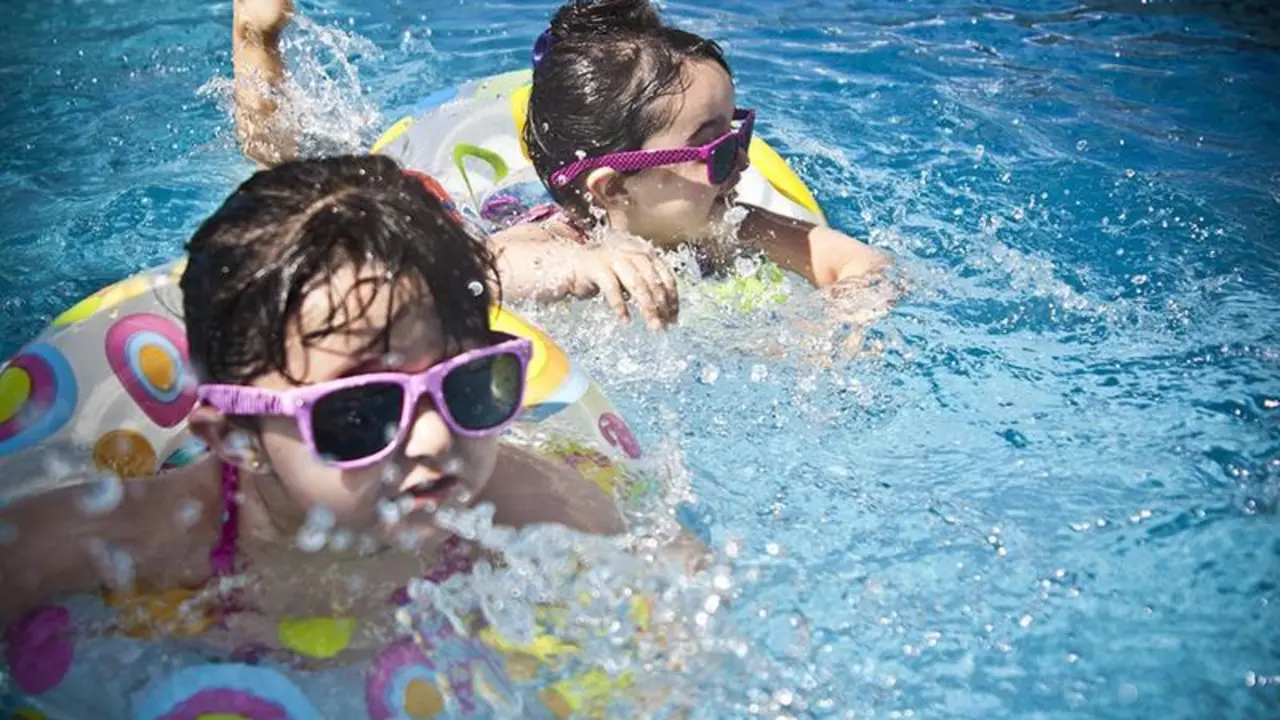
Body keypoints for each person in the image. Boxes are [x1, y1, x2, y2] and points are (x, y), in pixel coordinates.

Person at [0, 155, 624, 653]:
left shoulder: (528, 507)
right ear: (233, 438)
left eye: (467, 385)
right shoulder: (144, 540)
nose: (436, 439)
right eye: (361, 413)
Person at [231, 0, 895, 333]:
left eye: (740, 134)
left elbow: (855, 263)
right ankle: (256, 41)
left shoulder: (733, 224)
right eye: (718, 149)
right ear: (611, 187)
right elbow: (475, 275)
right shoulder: (558, 237)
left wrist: (840, 331)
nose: (741, 164)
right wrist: (576, 268)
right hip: (480, 207)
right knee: (287, 184)